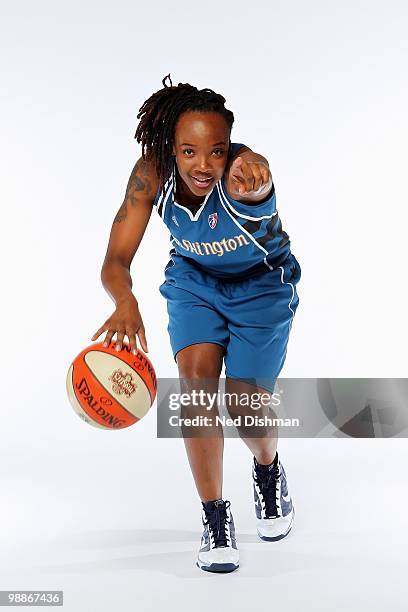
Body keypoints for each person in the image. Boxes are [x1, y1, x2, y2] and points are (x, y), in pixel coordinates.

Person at [91, 74, 301, 573]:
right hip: (194, 284)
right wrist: (124, 300)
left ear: (230, 149)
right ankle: (215, 516)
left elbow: (259, 182)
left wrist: (259, 178)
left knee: (246, 407)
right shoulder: (151, 174)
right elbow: (115, 260)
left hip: (262, 288)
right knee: (196, 388)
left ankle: (269, 470)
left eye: (216, 151)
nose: (203, 165)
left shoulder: (242, 175)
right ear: (170, 147)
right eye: (189, 151)